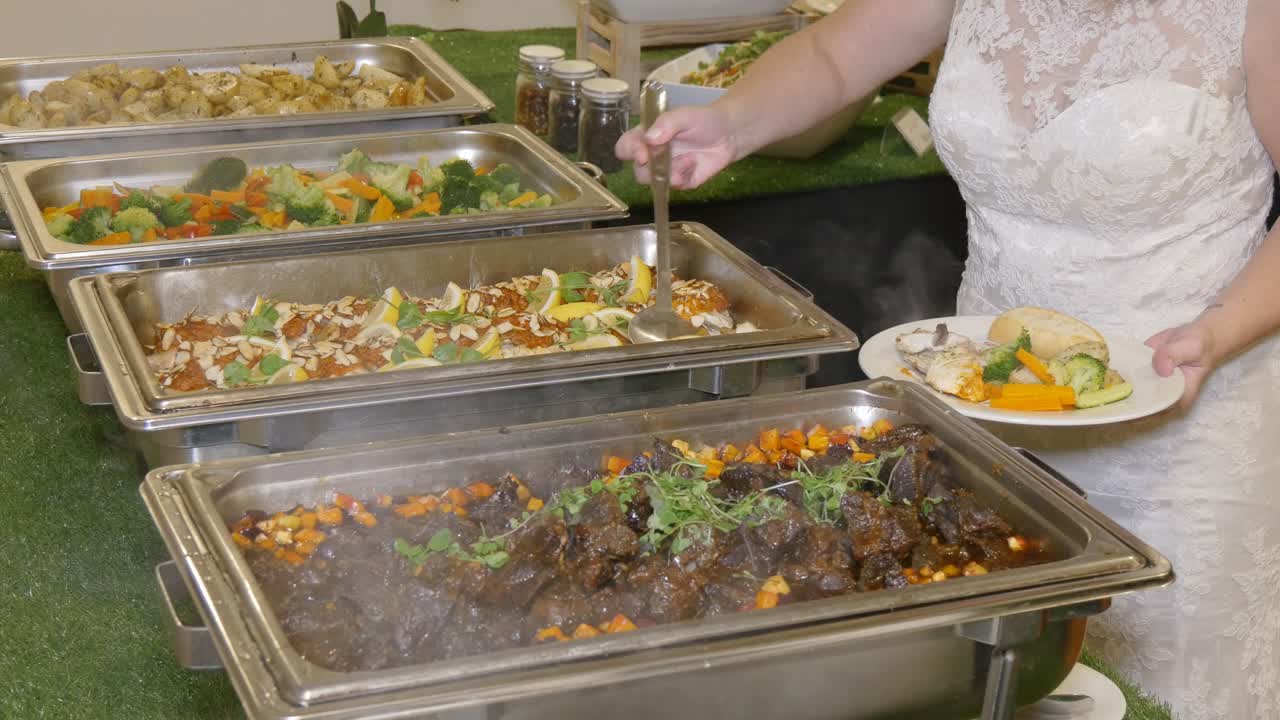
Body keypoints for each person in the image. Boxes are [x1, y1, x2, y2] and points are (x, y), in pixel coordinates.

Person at [617, 1, 1280, 717]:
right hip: (981, 418)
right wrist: (730, 121)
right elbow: (832, 58)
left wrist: (1220, 330)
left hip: (1183, 419)